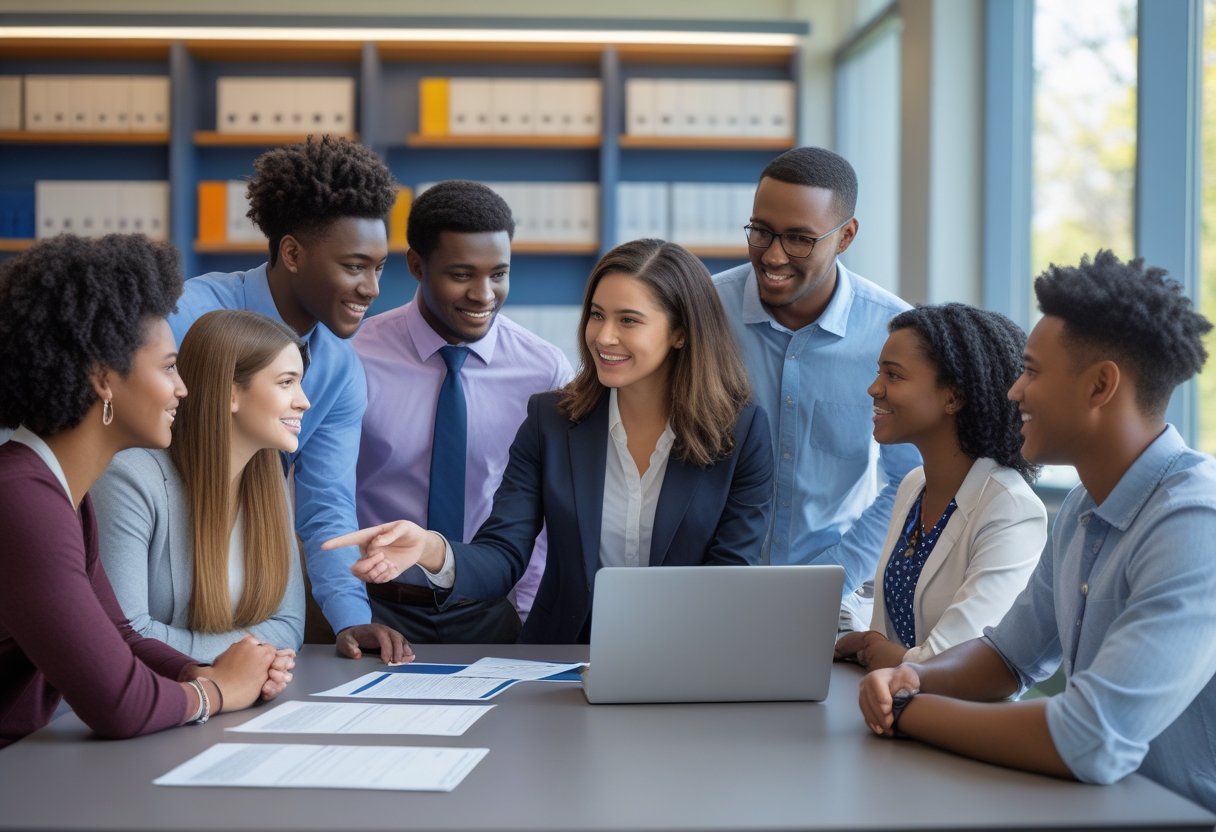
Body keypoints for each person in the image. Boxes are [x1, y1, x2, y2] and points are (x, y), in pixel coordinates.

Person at [857, 251, 1216, 812]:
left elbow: (1090, 736)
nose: (1012, 392)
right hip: (1106, 808)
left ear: (1100, 386)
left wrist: (909, 708)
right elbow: (1007, 658)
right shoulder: (1081, 508)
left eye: (1032, 371)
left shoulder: (1197, 523)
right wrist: (913, 677)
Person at [327, 239, 773, 644]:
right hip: (563, 658)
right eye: (597, 315)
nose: (603, 336)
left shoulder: (741, 432)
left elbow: (730, 575)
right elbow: (503, 553)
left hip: (688, 656)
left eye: (628, 320)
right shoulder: (552, 420)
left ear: (680, 332)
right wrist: (431, 550)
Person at [0, 234, 291, 748]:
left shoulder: (61, 493)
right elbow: (119, 705)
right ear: (103, 379)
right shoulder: (22, 502)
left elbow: (120, 636)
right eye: (168, 367)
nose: (183, 388)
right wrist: (218, 693)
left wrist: (202, 670)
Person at [168, 136, 413, 664]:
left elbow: (326, 507)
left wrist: (353, 619)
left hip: (240, 574)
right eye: (354, 266)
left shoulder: (339, 368)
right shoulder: (185, 318)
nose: (372, 288)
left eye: (379, 267)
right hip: (152, 556)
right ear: (293, 253)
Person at [354, 181, 573, 644]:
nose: (484, 294)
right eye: (462, 274)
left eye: (499, 274)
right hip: (376, 610)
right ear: (416, 265)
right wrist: (347, 613)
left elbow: (551, 516)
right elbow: (322, 498)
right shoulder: (355, 357)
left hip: (496, 612)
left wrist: (531, 617)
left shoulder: (545, 369)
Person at [714, 146, 920, 598]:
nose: (773, 256)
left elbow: (913, 482)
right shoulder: (704, 312)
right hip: (710, 582)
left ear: (845, 236)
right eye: (761, 232)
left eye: (799, 239)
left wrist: (835, 576)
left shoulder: (896, 335)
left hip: (836, 591)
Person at [833, 304, 1046, 670]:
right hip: (891, 711)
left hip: (964, 722)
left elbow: (961, 661)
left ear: (953, 397)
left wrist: (872, 647)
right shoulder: (915, 486)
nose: (874, 388)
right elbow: (890, 638)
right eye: (877, 372)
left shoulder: (1010, 508)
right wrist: (871, 643)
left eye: (893, 376)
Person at [93, 310, 310, 662]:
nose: (304, 401)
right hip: (163, 701)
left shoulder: (268, 479)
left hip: (238, 699)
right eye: (286, 382)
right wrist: (245, 664)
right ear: (229, 394)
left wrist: (246, 670)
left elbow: (289, 625)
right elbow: (126, 633)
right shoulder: (130, 480)